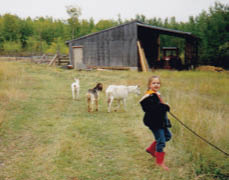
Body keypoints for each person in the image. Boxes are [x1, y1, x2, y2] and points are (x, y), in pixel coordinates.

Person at [139, 76, 172, 170]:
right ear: (149, 85)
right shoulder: (148, 97)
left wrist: (164, 107)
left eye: (158, 83)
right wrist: (164, 107)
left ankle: (151, 149)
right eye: (153, 83)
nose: (156, 85)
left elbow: (160, 107)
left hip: (161, 121)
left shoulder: (157, 94)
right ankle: (160, 162)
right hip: (154, 122)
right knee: (161, 140)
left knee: (168, 136)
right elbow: (150, 108)